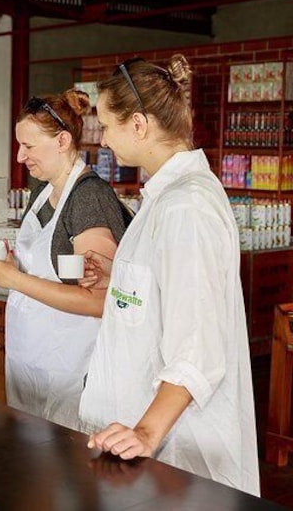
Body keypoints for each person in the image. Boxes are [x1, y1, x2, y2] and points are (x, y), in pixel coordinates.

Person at [79, 55, 259, 495]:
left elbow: (197, 345)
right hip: (141, 447)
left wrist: (146, 432)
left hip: (177, 449)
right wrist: (118, 284)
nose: (103, 140)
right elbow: (164, 295)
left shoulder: (187, 206)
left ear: (139, 125)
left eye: (107, 125)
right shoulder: (166, 197)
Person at [0, 90, 130, 431]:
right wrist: (13, 267)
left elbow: (99, 300)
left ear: (62, 140)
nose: (19, 156)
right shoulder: (43, 192)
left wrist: (13, 280)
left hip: (70, 366)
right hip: (32, 359)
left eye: (28, 146)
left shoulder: (89, 197)